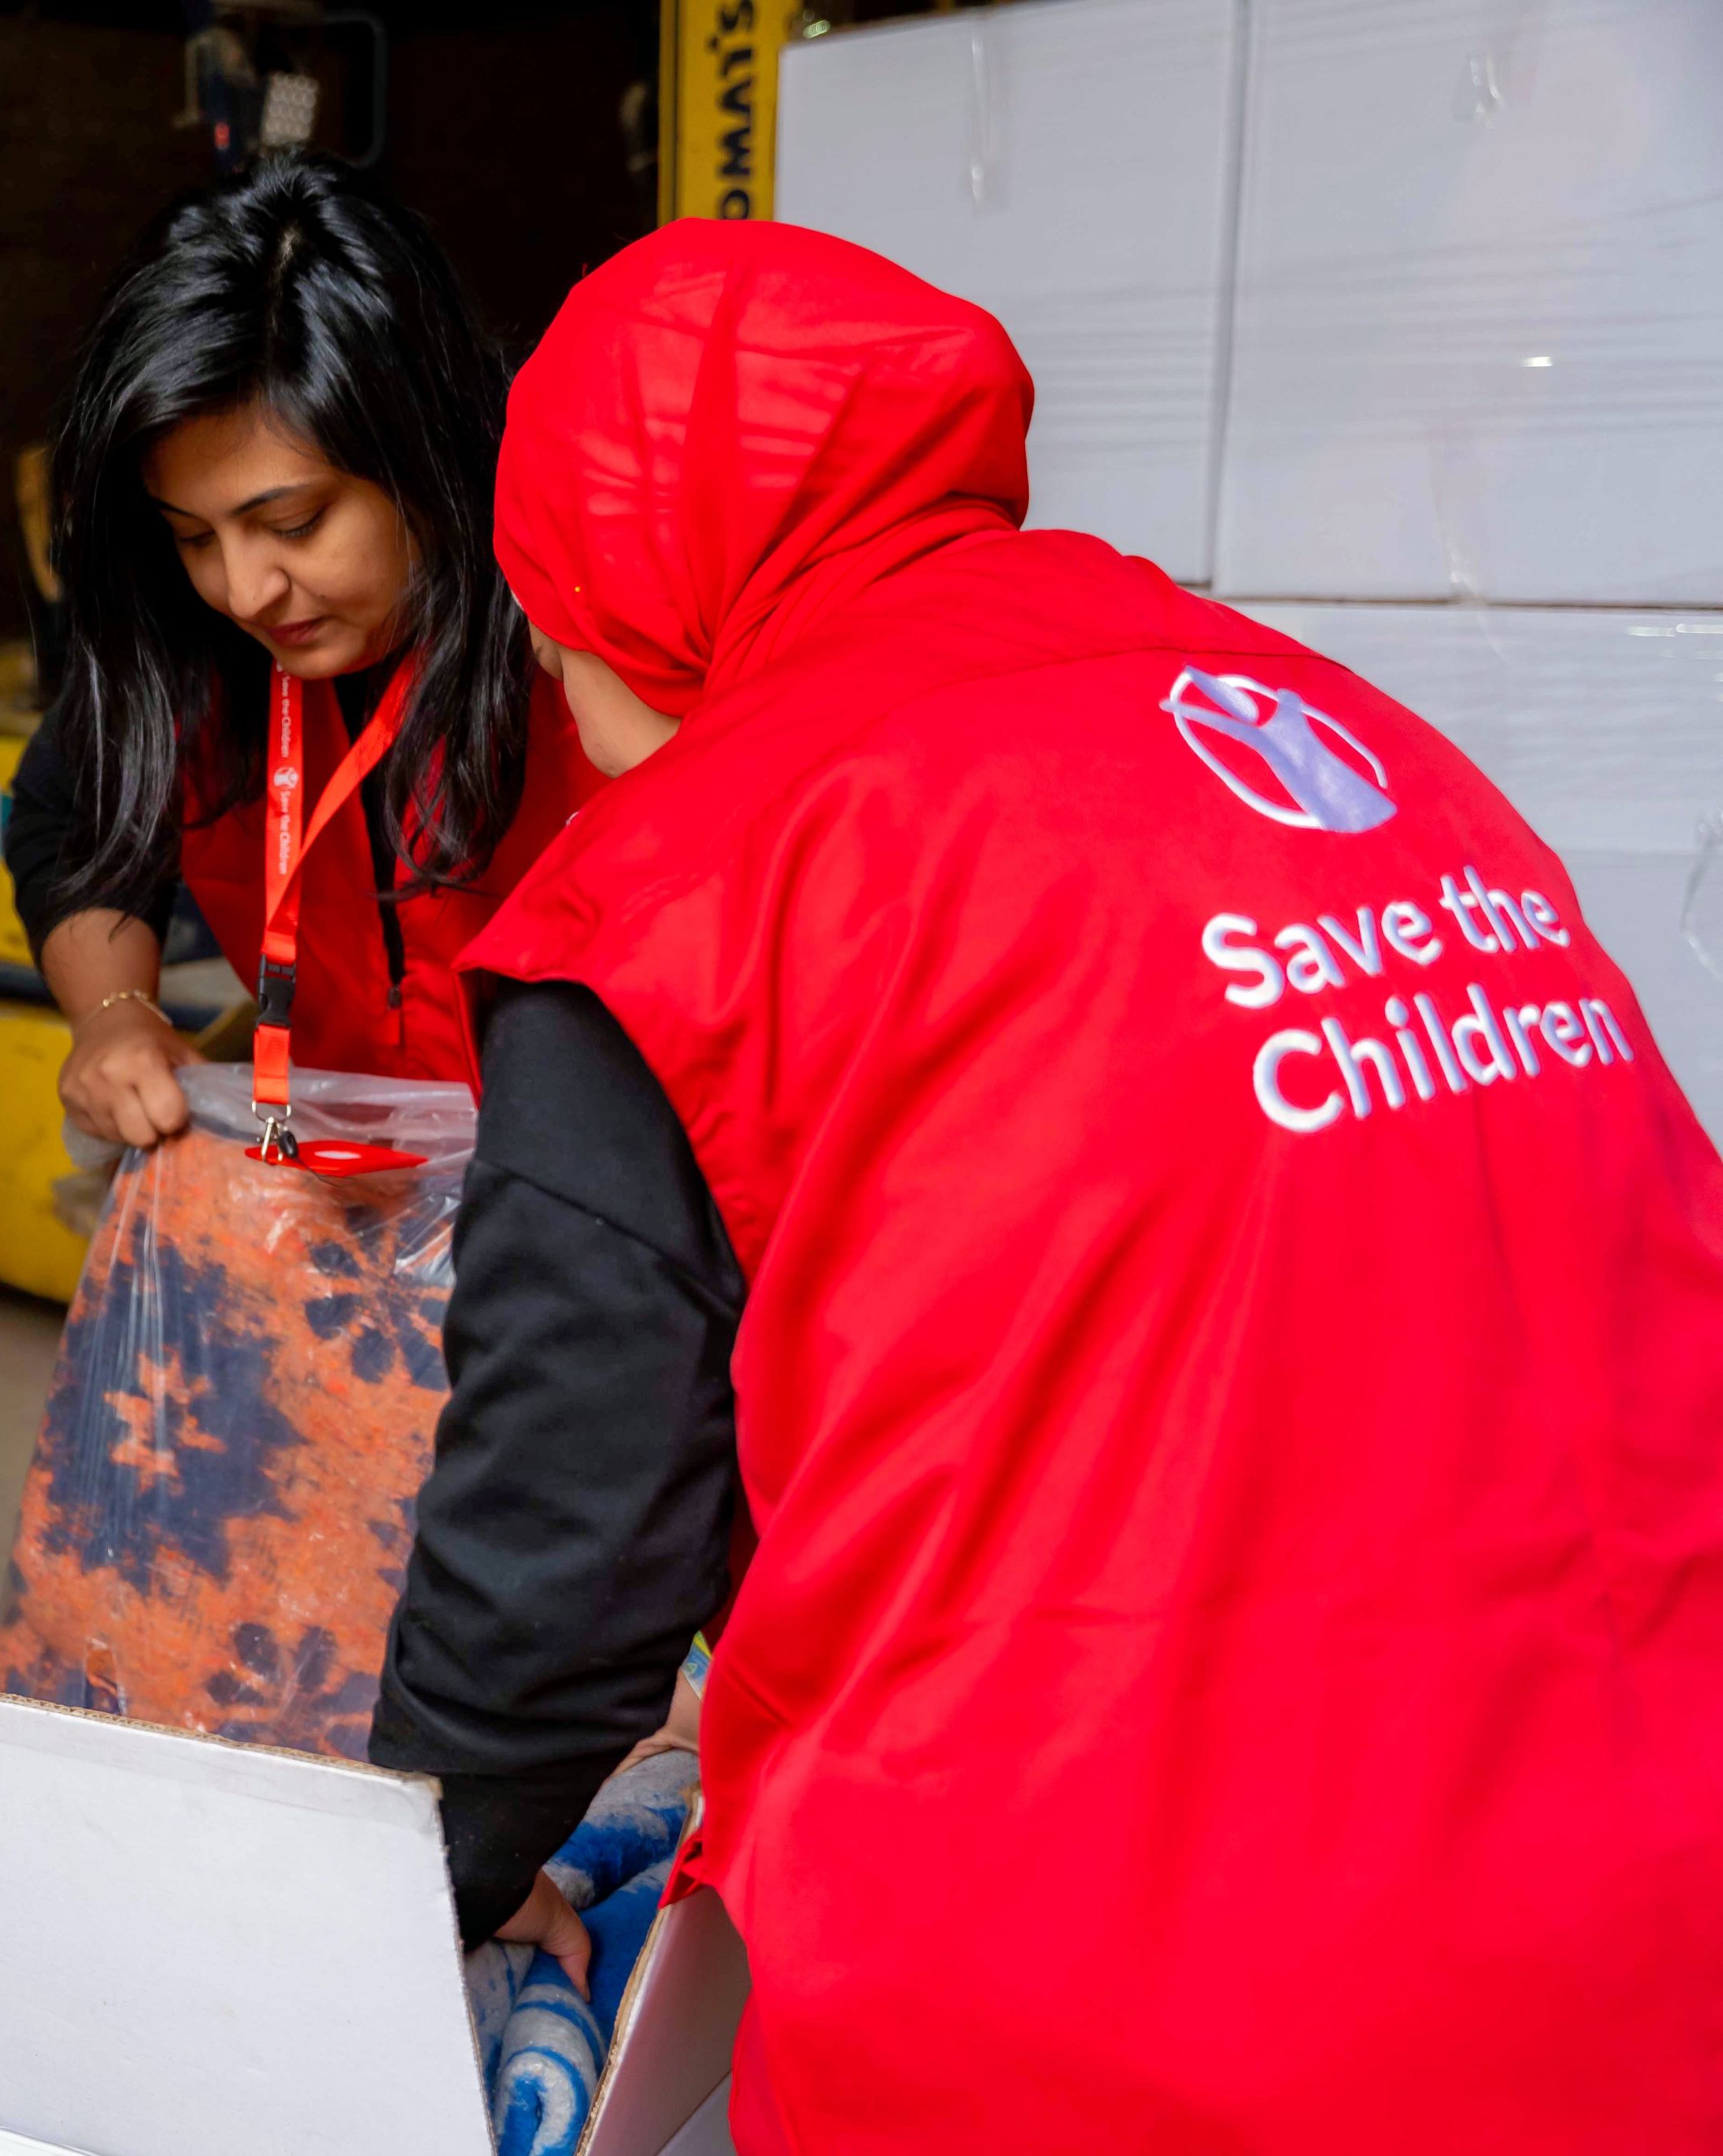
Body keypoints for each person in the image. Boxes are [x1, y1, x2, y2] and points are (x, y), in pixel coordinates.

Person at [372, 220, 1723, 2147]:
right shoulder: (1350, 742)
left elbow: (556, 1567)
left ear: (605, 580)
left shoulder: (685, 889)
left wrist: (421, 1876)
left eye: (543, 622)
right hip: (1653, 1897)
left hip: (1124, 2009)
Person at [5, 154, 599, 1145]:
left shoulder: (579, 624)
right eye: (193, 536)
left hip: (587, 1201)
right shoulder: (189, 640)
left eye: (294, 521)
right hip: (345, 1196)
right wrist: (114, 1018)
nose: (243, 591)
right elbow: (71, 816)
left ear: (423, 449)